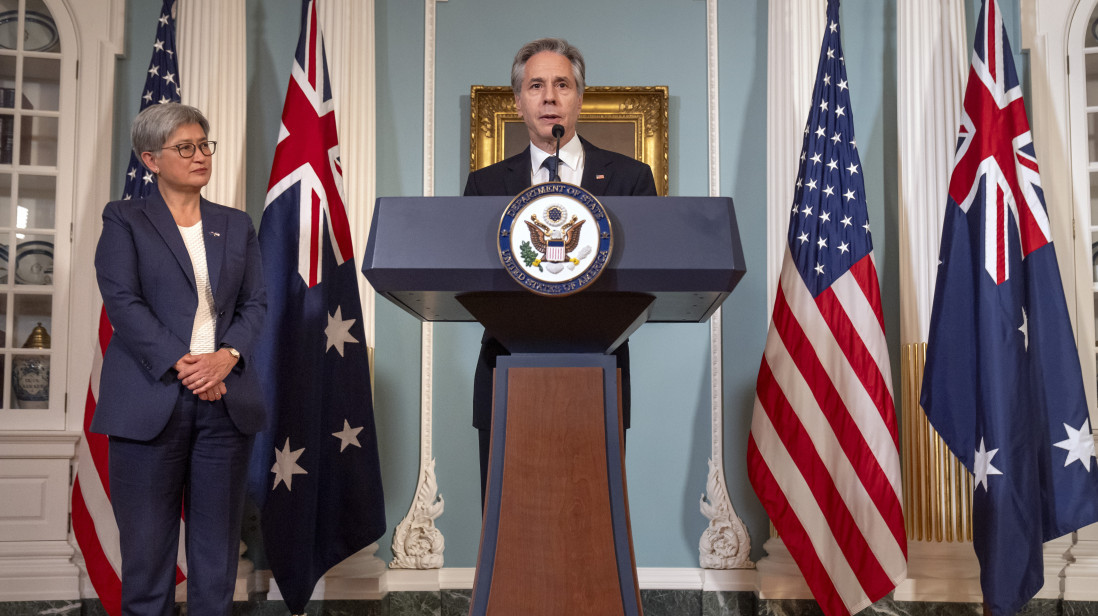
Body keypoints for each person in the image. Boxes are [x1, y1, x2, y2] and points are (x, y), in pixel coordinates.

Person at [464, 38, 657, 503]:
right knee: (508, 514)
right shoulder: (486, 185)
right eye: (536, 86)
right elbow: (470, 277)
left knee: (592, 512)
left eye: (561, 85)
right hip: (505, 369)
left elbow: (647, 274)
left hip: (598, 371)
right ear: (518, 101)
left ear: (579, 97)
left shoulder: (630, 178)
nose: (549, 97)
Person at [93, 103, 266, 616]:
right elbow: (122, 301)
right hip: (149, 402)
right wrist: (187, 364)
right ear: (151, 159)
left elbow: (256, 303)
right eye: (185, 148)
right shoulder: (124, 218)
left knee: (217, 557)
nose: (200, 156)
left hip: (225, 404)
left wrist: (225, 358)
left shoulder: (236, 224)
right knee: (148, 557)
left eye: (204, 145)